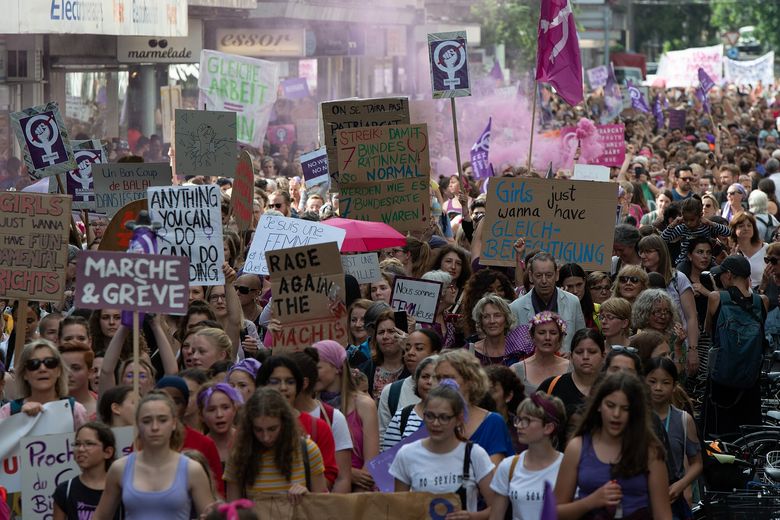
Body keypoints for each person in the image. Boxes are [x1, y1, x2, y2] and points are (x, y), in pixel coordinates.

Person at [555, 372, 672, 520]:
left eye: (625, 408)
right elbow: (556, 512)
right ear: (598, 405)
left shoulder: (651, 452)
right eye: (610, 405)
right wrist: (591, 501)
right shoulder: (577, 447)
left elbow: (663, 515)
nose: (616, 414)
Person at [93, 391, 216, 520]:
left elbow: (210, 517)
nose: (155, 427)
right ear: (138, 424)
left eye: (162, 420)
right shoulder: (119, 468)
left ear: (174, 423)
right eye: (146, 421)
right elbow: (101, 516)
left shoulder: (192, 470)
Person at [390, 380, 496, 517]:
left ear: (458, 419)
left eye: (444, 418)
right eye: (430, 416)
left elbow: (496, 507)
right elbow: (399, 509)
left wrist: (472, 517)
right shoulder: (407, 454)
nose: (435, 423)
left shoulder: (474, 454)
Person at [703, 255, 769, 437]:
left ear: (729, 275)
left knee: (718, 433)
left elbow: (709, 330)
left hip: (721, 379)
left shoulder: (716, 297)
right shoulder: (762, 301)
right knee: (748, 436)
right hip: (750, 379)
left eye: (721, 274)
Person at [224, 387, 328, 501]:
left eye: (272, 429)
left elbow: (322, 504)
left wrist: (307, 496)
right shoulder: (238, 455)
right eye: (258, 430)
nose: (266, 437)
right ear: (249, 427)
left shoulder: (308, 450)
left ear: (284, 423)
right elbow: (232, 510)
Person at [256, 356, 339, 488]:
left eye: (290, 382)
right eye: (275, 381)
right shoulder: (248, 428)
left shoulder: (318, 427)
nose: (283, 387)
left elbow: (328, 476)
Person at [312, 340, 379, 491]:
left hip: (360, 498)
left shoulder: (364, 405)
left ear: (337, 367)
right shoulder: (311, 407)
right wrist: (348, 473)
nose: (311, 373)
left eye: (317, 367)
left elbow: (370, 466)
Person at [488, 393, 567, 520]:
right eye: (518, 419)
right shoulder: (509, 466)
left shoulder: (567, 467)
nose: (519, 425)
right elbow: (496, 516)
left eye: (527, 421)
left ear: (548, 427)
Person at [289, 349, 353, 494]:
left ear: (304, 383)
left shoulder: (333, 418)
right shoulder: (273, 417)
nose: (282, 387)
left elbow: (342, 478)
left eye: (289, 381)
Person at [644, 357, 702, 514]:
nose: (658, 387)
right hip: (639, 498)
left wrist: (682, 484)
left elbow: (697, 463)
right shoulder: (634, 416)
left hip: (671, 498)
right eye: (652, 381)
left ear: (674, 386)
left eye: (665, 383)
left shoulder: (684, 420)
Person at [436, 350, 514, 465]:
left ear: (470, 381)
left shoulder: (492, 422)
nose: (443, 384)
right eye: (439, 378)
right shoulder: (432, 419)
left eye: (449, 378)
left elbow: (494, 475)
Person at [638, 235, 699, 375]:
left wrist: (692, 350)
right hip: (646, 345)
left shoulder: (678, 279)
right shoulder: (637, 279)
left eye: (648, 251)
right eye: (641, 251)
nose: (642, 255)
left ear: (660, 252)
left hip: (676, 345)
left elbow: (691, 317)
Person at [0, 340, 88, 428]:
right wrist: (19, 419)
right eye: (33, 364)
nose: (42, 369)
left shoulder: (75, 410)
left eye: (50, 362)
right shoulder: (8, 411)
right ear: (24, 374)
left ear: (59, 371)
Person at [510, 252, 585, 354]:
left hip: (565, 365)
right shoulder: (516, 307)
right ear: (531, 276)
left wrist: (572, 355)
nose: (544, 281)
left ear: (557, 275)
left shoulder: (573, 301)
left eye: (549, 275)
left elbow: (581, 339)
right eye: (539, 275)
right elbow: (513, 348)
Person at [378, 329, 442, 439]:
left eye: (419, 348)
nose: (410, 353)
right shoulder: (391, 392)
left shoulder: (451, 390)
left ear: (434, 354)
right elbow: (382, 439)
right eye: (407, 349)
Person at [53, 422, 119, 520]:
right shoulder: (65, 490)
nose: (81, 449)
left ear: (108, 452)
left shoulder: (121, 490)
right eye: (77, 444)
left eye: (89, 444)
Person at [538, 328, 605, 422]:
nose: (585, 357)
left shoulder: (612, 388)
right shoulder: (551, 386)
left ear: (603, 356)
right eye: (579, 352)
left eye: (592, 352)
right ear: (571, 357)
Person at [382, 355, 438, 450]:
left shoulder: (459, 417)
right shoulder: (402, 416)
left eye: (437, 377)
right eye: (425, 376)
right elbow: (388, 462)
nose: (430, 382)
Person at [510, 311, 571, 396]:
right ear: (532, 337)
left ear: (560, 338)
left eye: (553, 333)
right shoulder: (516, 370)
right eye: (541, 333)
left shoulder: (571, 369)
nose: (547, 338)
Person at [359, 309, 409, 399]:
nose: (385, 337)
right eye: (381, 332)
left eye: (391, 331)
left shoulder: (413, 368)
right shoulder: (365, 369)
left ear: (402, 335)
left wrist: (409, 348)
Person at [469, 294, 523, 366]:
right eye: (486, 316)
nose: (492, 321)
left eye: (497, 315)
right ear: (481, 322)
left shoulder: (518, 351)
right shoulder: (469, 351)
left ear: (506, 320)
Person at [198, 383, 244, 465]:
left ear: (234, 409)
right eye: (211, 410)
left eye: (225, 407)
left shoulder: (247, 441)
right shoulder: (198, 449)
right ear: (201, 415)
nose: (219, 415)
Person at [729, 212, 768, 288]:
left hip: (764, 293)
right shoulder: (730, 251)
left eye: (749, 225)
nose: (746, 228)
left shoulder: (766, 248)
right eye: (741, 226)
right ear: (734, 229)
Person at [558, 263, 600, 332]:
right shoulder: (554, 310)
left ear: (584, 282)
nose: (575, 291)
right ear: (561, 286)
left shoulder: (597, 310)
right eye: (570, 286)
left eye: (579, 285)